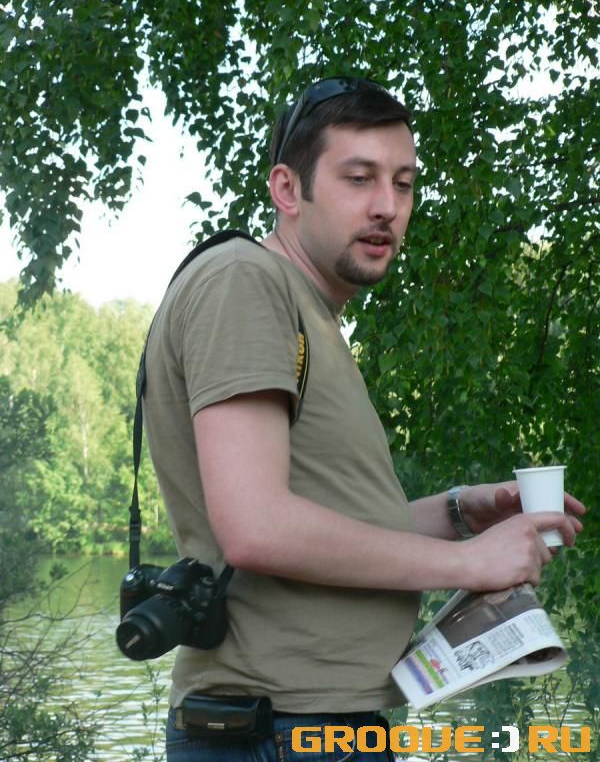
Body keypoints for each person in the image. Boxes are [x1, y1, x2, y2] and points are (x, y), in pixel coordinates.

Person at [142, 76, 585, 761]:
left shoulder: (309, 314)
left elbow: (322, 527)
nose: (387, 206)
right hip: (279, 729)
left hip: (314, 725)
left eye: (403, 184)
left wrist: (461, 512)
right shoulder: (245, 281)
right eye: (359, 178)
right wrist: (467, 561)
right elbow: (257, 528)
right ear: (287, 189)